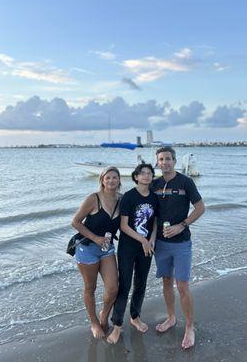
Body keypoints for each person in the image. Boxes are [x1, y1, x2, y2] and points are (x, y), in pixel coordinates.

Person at [151, 146, 205, 350]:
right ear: (157, 162)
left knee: (182, 286)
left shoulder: (185, 182)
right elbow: (151, 213)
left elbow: (200, 208)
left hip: (181, 242)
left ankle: (190, 326)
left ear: (174, 161)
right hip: (161, 244)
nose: (164, 162)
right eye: (161, 159)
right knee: (166, 281)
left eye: (168, 159)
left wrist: (181, 225)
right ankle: (171, 317)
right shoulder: (154, 184)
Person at [107, 163, 158, 344]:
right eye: (142, 173)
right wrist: (143, 240)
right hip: (128, 248)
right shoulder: (129, 197)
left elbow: (154, 222)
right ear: (136, 177)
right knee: (125, 286)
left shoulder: (154, 197)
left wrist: (151, 239)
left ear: (152, 177)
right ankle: (117, 325)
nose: (146, 176)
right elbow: (123, 226)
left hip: (147, 248)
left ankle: (135, 317)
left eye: (149, 173)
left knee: (141, 284)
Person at [72, 167, 121, 339]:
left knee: (113, 288)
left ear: (119, 180)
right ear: (102, 180)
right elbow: (76, 222)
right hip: (87, 249)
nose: (111, 181)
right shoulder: (93, 199)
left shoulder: (121, 200)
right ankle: (94, 323)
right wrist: (95, 238)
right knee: (90, 288)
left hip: (107, 249)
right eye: (108, 178)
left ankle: (104, 315)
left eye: (115, 177)